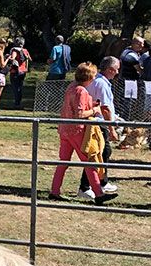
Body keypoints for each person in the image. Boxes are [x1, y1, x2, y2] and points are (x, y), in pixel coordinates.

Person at [50, 62, 116, 204]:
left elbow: (73, 106)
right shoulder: (81, 91)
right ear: (90, 77)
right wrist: (95, 111)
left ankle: (54, 191)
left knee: (63, 162)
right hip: (76, 131)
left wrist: (91, 104)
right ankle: (99, 194)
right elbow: (79, 114)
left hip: (64, 129)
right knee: (89, 161)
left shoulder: (71, 87)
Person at [80, 56, 120, 197]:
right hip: (100, 123)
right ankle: (86, 186)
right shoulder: (101, 84)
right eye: (116, 70)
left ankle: (101, 182)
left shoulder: (98, 81)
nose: (117, 72)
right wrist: (111, 128)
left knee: (103, 153)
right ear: (109, 69)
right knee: (99, 153)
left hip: (97, 122)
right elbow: (105, 107)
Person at [7, 38, 31, 109]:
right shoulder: (25, 50)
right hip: (23, 71)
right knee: (20, 87)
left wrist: (7, 57)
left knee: (15, 87)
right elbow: (29, 58)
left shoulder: (15, 50)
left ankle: (16, 103)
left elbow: (13, 58)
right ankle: (19, 102)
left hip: (15, 71)